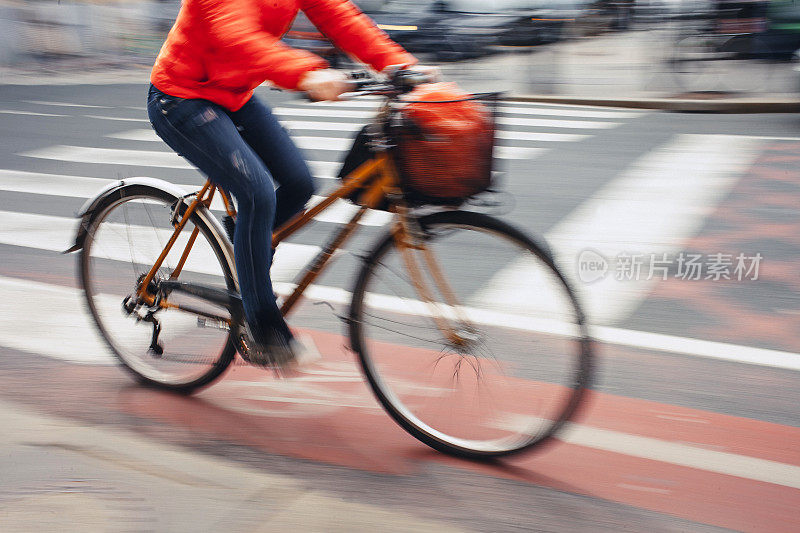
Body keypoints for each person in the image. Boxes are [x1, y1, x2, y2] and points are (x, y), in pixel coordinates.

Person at [147, 0, 428, 366]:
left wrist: (401, 65)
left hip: (234, 96)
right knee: (257, 192)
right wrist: (306, 72)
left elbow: (340, 15)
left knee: (300, 184)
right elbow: (238, 35)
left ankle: (244, 248)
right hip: (180, 97)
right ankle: (264, 327)